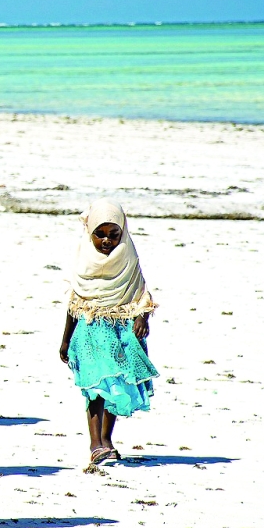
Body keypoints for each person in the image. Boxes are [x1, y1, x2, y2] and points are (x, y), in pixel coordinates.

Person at [58, 199, 159, 465]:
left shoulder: (129, 260)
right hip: (90, 332)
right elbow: (74, 304)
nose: (107, 241)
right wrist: (65, 340)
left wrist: (142, 317)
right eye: (99, 235)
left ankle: (107, 440)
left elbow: (142, 294)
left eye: (114, 235)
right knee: (95, 388)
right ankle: (95, 444)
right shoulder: (83, 263)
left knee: (115, 385)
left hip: (120, 332)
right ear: (89, 232)